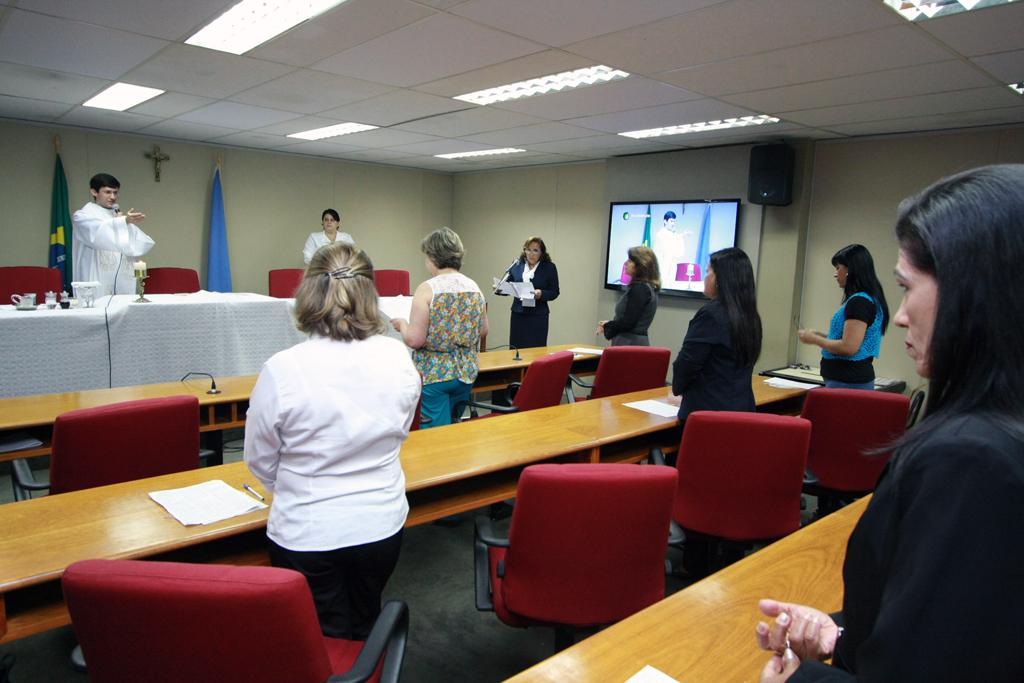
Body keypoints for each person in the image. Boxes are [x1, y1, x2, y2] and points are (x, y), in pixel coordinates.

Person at [756, 164, 1024, 682]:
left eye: (908, 287)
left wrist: (798, 680)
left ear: (974, 293)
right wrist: (844, 635)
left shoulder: (972, 462)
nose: (899, 315)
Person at [244, 241, 420, 640]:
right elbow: (401, 429)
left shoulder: (284, 369)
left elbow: (259, 458)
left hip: (308, 531)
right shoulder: (397, 357)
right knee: (362, 623)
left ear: (308, 293)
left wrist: (294, 483)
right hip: (381, 526)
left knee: (319, 636)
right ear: (370, 295)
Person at [392, 227, 488, 428]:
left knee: (436, 436)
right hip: (465, 372)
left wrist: (402, 325)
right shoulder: (474, 286)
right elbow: (483, 330)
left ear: (432, 256)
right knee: (454, 428)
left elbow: (414, 340)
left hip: (434, 375)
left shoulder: (428, 289)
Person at [672, 247, 762, 422]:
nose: (705, 278)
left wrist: (677, 390)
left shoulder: (711, 314)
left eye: (708, 272)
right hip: (741, 409)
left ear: (720, 279)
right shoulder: (750, 315)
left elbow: (687, 363)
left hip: (707, 412)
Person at [798, 244, 890, 390]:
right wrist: (822, 335)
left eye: (838, 268)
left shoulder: (859, 302)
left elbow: (849, 347)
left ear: (849, 270)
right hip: (846, 381)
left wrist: (815, 340)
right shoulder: (865, 299)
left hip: (847, 382)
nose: (835, 274)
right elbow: (852, 338)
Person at [71, 173, 154, 296]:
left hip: (122, 279)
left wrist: (125, 223)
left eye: (115, 192)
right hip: (96, 277)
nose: (113, 197)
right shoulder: (82, 216)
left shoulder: (117, 216)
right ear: (94, 192)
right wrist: (122, 222)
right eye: (108, 192)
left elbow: (140, 242)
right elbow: (98, 232)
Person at [504, 236, 559, 349]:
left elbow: (554, 292)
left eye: (535, 250)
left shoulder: (549, 267)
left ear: (542, 253)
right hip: (518, 314)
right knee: (516, 350)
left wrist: (541, 294)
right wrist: (499, 288)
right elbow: (508, 286)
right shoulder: (516, 265)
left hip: (538, 316)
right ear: (524, 251)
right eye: (528, 250)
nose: (531, 253)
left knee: (536, 350)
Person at [598, 245, 660, 346]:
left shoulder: (640, 289)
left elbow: (628, 323)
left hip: (629, 344)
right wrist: (609, 324)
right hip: (634, 343)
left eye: (630, 261)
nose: (626, 263)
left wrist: (608, 325)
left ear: (641, 266)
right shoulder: (648, 288)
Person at [654, 210, 690, 285]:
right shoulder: (661, 234)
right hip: (662, 266)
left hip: (671, 265)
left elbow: (676, 246)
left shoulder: (671, 234)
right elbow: (670, 247)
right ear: (665, 221)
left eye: (674, 221)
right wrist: (679, 236)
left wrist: (682, 236)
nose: (673, 224)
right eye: (671, 221)